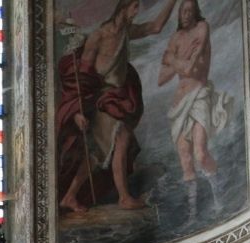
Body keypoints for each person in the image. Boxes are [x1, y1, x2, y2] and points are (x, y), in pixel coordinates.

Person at [56, 0, 179, 213]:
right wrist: (77, 113)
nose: (136, 12)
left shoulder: (125, 32)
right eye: (134, 7)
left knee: (99, 153)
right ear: (124, 7)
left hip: (118, 97)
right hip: (104, 99)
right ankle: (124, 197)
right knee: (121, 139)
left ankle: (70, 195)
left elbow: (155, 27)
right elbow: (82, 76)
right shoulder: (99, 36)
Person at [158, 0, 230, 214]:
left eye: (190, 10)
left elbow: (190, 68)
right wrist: (179, 61)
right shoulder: (175, 38)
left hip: (199, 95)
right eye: (183, 10)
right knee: (186, 160)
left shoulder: (202, 28)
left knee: (200, 153)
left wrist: (173, 59)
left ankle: (219, 200)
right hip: (179, 103)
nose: (186, 14)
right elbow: (161, 78)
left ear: (196, 12)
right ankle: (192, 212)